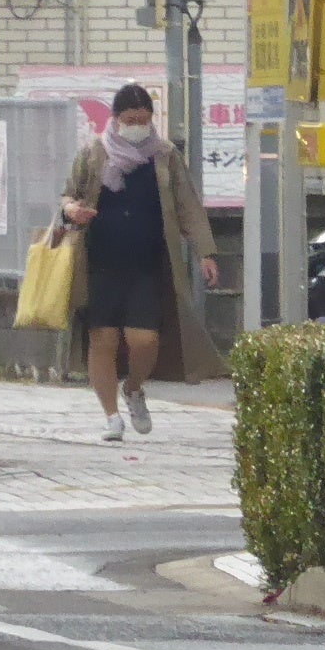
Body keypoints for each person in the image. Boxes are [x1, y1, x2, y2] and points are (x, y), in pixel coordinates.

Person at [59, 85, 223, 441]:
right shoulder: (93, 153)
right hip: (99, 261)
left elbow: (187, 206)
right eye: (129, 120)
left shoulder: (165, 155)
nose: (136, 126)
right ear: (115, 119)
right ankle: (111, 418)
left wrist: (205, 252)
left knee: (144, 339)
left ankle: (133, 388)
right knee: (101, 337)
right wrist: (72, 210)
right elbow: (68, 194)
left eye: (143, 120)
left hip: (147, 263)